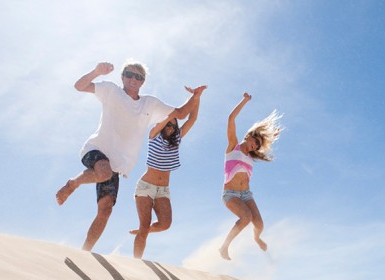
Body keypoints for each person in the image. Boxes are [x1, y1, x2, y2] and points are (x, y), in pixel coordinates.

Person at [55, 60, 205, 252]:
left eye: (139, 76)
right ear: (123, 76)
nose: (134, 79)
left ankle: (85, 252)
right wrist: (96, 71)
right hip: (96, 149)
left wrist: (196, 96)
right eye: (130, 74)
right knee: (104, 172)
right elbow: (79, 86)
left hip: (117, 166)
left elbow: (182, 114)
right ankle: (73, 184)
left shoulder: (149, 103)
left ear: (142, 82)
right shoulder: (111, 90)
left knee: (106, 209)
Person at [130, 86, 205, 259]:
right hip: (146, 187)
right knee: (145, 224)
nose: (171, 127)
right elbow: (173, 115)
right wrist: (174, 114)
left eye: (174, 125)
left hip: (163, 190)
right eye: (168, 123)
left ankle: (143, 230)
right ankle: (135, 262)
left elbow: (193, 119)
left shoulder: (176, 140)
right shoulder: (154, 134)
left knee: (165, 224)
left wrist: (197, 97)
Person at [219, 93, 282, 260]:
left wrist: (271, 137)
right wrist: (244, 101)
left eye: (258, 145)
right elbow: (231, 118)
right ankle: (224, 247)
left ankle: (256, 238)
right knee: (246, 217)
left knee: (259, 224)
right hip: (231, 194)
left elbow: (262, 146)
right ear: (248, 136)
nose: (256, 145)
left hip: (246, 195)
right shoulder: (233, 147)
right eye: (255, 141)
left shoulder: (251, 157)